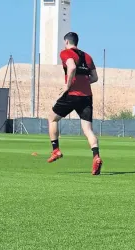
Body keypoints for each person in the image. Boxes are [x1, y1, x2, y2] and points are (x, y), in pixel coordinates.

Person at [48, 32, 102, 175]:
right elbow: (95, 77)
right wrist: (84, 82)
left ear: (66, 42)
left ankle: (56, 150)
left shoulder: (66, 53)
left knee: (52, 118)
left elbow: (71, 67)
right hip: (87, 96)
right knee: (88, 130)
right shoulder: (87, 56)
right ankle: (96, 156)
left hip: (72, 94)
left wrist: (68, 85)